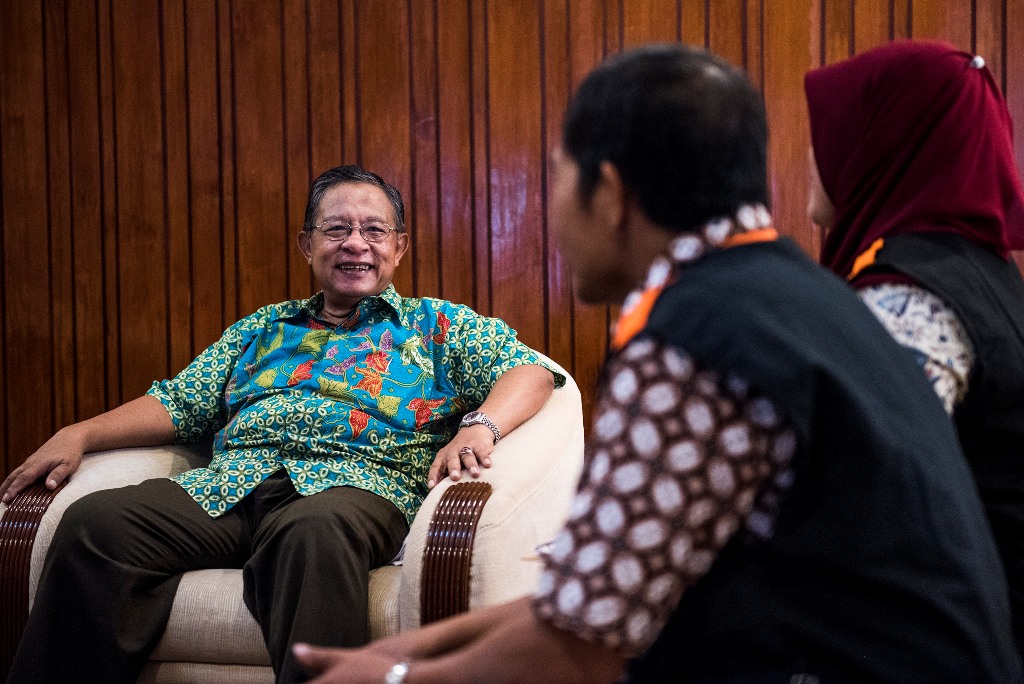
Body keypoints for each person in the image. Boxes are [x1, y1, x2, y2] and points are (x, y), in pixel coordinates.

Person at [292, 45, 1022, 683]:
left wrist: (390, 677)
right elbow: (600, 594)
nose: (551, 212)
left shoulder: (693, 335)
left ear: (610, 194)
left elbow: (582, 648)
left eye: (557, 178)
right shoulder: (797, 291)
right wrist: (416, 648)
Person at [0, 164, 558, 683]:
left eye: (374, 231)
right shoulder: (263, 328)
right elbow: (181, 401)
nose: (356, 245)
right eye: (336, 230)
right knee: (97, 523)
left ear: (399, 246)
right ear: (307, 245)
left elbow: (530, 372)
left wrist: (480, 425)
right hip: (231, 484)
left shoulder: (438, 323)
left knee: (309, 533)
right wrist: (81, 433)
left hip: (356, 486)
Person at [805, 40, 1024, 655]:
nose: (813, 152)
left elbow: (867, 503)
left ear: (881, 144)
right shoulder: (982, 268)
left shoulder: (909, 296)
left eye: (830, 129)